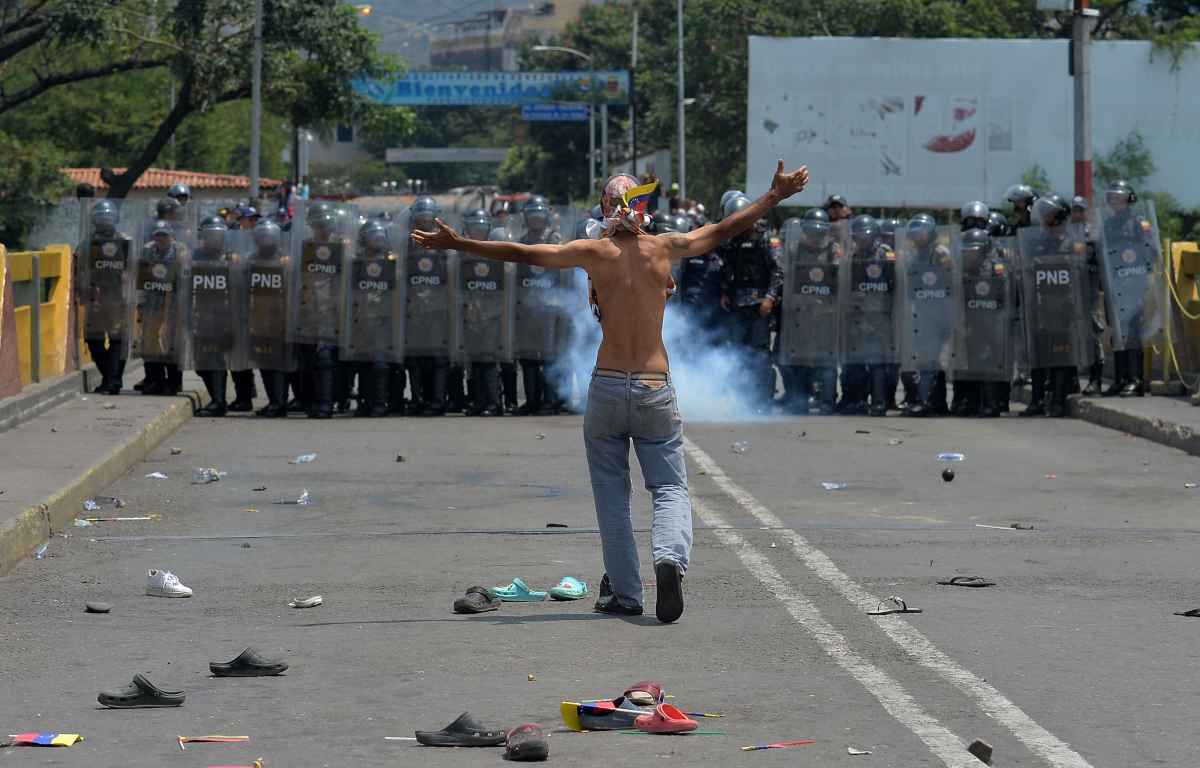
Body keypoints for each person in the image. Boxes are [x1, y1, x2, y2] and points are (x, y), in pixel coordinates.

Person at [411, 160, 811, 623]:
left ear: (605, 209)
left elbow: (522, 251)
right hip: (653, 385)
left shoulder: (593, 253)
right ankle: (668, 560)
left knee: (611, 496)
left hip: (605, 386)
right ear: (643, 207)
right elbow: (724, 229)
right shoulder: (664, 248)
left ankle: (625, 593)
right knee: (668, 488)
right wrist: (774, 195)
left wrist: (460, 243)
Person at [718, 194, 784, 413]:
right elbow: (727, 269)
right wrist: (725, 292)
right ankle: (742, 400)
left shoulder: (765, 238)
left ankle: (764, 402)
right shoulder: (730, 240)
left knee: (760, 356)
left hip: (759, 305)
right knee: (738, 354)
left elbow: (778, 270)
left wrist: (770, 297)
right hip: (737, 305)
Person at [776, 208, 842, 414]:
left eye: (819, 231)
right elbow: (785, 276)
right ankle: (800, 401)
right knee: (799, 359)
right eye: (811, 231)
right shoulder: (795, 249)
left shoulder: (833, 250)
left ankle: (827, 402)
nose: (815, 235)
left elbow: (841, 279)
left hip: (826, 312)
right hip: (800, 312)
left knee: (826, 360)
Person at [1099, 180, 1159, 398]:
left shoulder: (1138, 223)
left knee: (1133, 333)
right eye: (1112, 198)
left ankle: (1135, 381)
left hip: (1134, 284)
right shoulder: (1108, 225)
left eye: (1119, 197)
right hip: (1114, 285)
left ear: (1129, 200)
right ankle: (1120, 379)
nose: (1115, 202)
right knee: (1117, 333)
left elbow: (1151, 251)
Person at [897, 213, 953, 416]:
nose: (917, 236)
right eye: (914, 233)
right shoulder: (913, 255)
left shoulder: (940, 253)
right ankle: (923, 400)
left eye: (921, 232)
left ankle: (936, 403)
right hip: (919, 314)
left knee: (934, 361)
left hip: (938, 313)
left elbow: (949, 283)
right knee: (922, 361)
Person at [77, 200, 133, 395]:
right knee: (94, 341)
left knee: (117, 340)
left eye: (107, 217)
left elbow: (133, 269)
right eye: (101, 217)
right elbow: (80, 269)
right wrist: (83, 291)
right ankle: (110, 378)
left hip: (118, 297)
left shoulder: (125, 242)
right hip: (95, 298)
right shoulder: (87, 243)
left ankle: (113, 381)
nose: (104, 220)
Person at [134, 219, 187, 396]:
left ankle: (173, 382)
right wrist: (140, 304)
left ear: (171, 236)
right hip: (152, 304)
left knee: (171, 344)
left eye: (164, 235)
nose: (161, 239)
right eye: (158, 236)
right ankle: (153, 380)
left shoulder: (181, 252)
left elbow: (186, 280)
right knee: (149, 343)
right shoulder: (147, 252)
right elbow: (141, 280)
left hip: (174, 305)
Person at [1072, 196, 1106, 396]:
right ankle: (1072, 381)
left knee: (1093, 337)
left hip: (1090, 293)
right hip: (1069, 294)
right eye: (1074, 210)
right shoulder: (1066, 234)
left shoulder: (1093, 235)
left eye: (1080, 210)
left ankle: (1096, 381)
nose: (1077, 214)